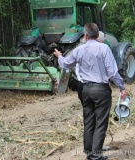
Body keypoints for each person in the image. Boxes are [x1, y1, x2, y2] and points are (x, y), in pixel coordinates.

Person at [54, 23, 127, 160]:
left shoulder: (79, 50)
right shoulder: (104, 48)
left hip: (84, 89)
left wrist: (59, 56)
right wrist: (122, 87)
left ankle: (88, 150)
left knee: (88, 119)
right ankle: (95, 155)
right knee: (100, 122)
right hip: (100, 90)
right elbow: (112, 72)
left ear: (85, 36)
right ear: (97, 34)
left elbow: (66, 64)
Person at [76, 31, 105, 105]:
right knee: (100, 112)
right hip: (98, 87)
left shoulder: (79, 50)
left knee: (87, 112)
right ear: (100, 41)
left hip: (82, 86)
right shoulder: (102, 51)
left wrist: (60, 57)